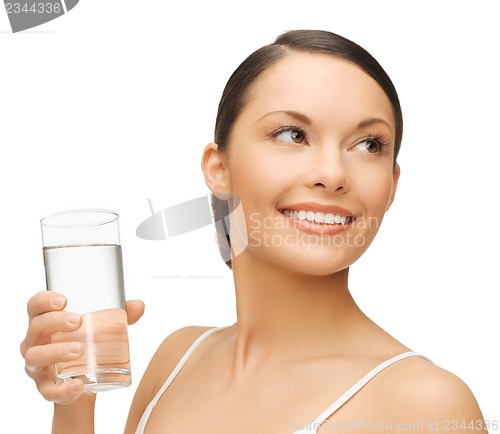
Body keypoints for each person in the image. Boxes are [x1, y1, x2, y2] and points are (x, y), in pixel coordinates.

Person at [21, 30, 486, 433]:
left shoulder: (424, 404)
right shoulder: (177, 359)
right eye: (292, 135)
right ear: (218, 168)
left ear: (391, 186)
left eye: (368, 144)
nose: (333, 174)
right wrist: (75, 400)